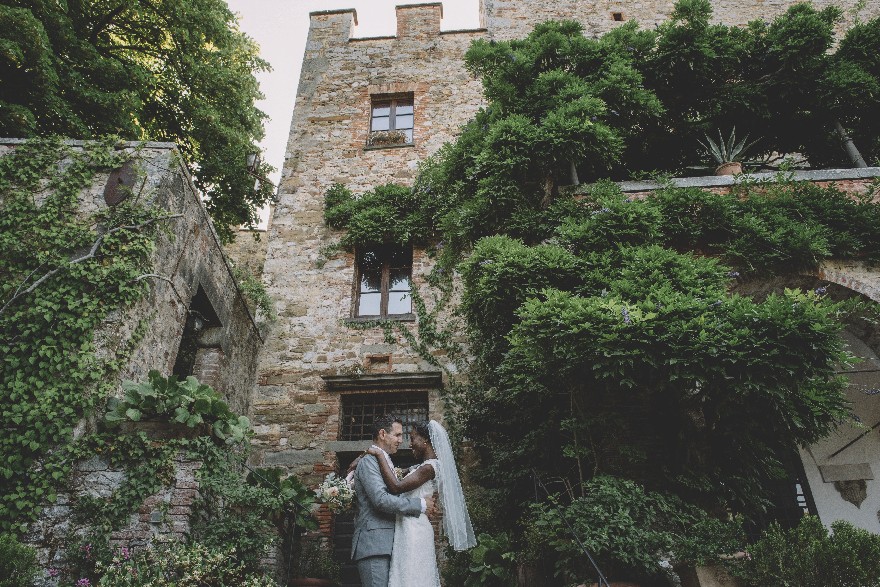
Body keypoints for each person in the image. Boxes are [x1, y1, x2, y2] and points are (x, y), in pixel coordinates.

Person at [366, 419, 476, 587]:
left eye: (413, 438)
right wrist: (362, 459)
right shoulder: (421, 466)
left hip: (415, 529)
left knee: (413, 577)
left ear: (426, 440)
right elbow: (393, 473)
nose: (410, 444)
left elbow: (396, 487)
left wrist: (379, 453)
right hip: (407, 526)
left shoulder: (429, 468)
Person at [351, 415, 437, 587]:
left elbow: (418, 472)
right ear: (383, 434)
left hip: (391, 544)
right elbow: (381, 500)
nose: (401, 441)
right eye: (397, 435)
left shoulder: (384, 461)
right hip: (374, 546)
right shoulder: (369, 462)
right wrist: (420, 504)